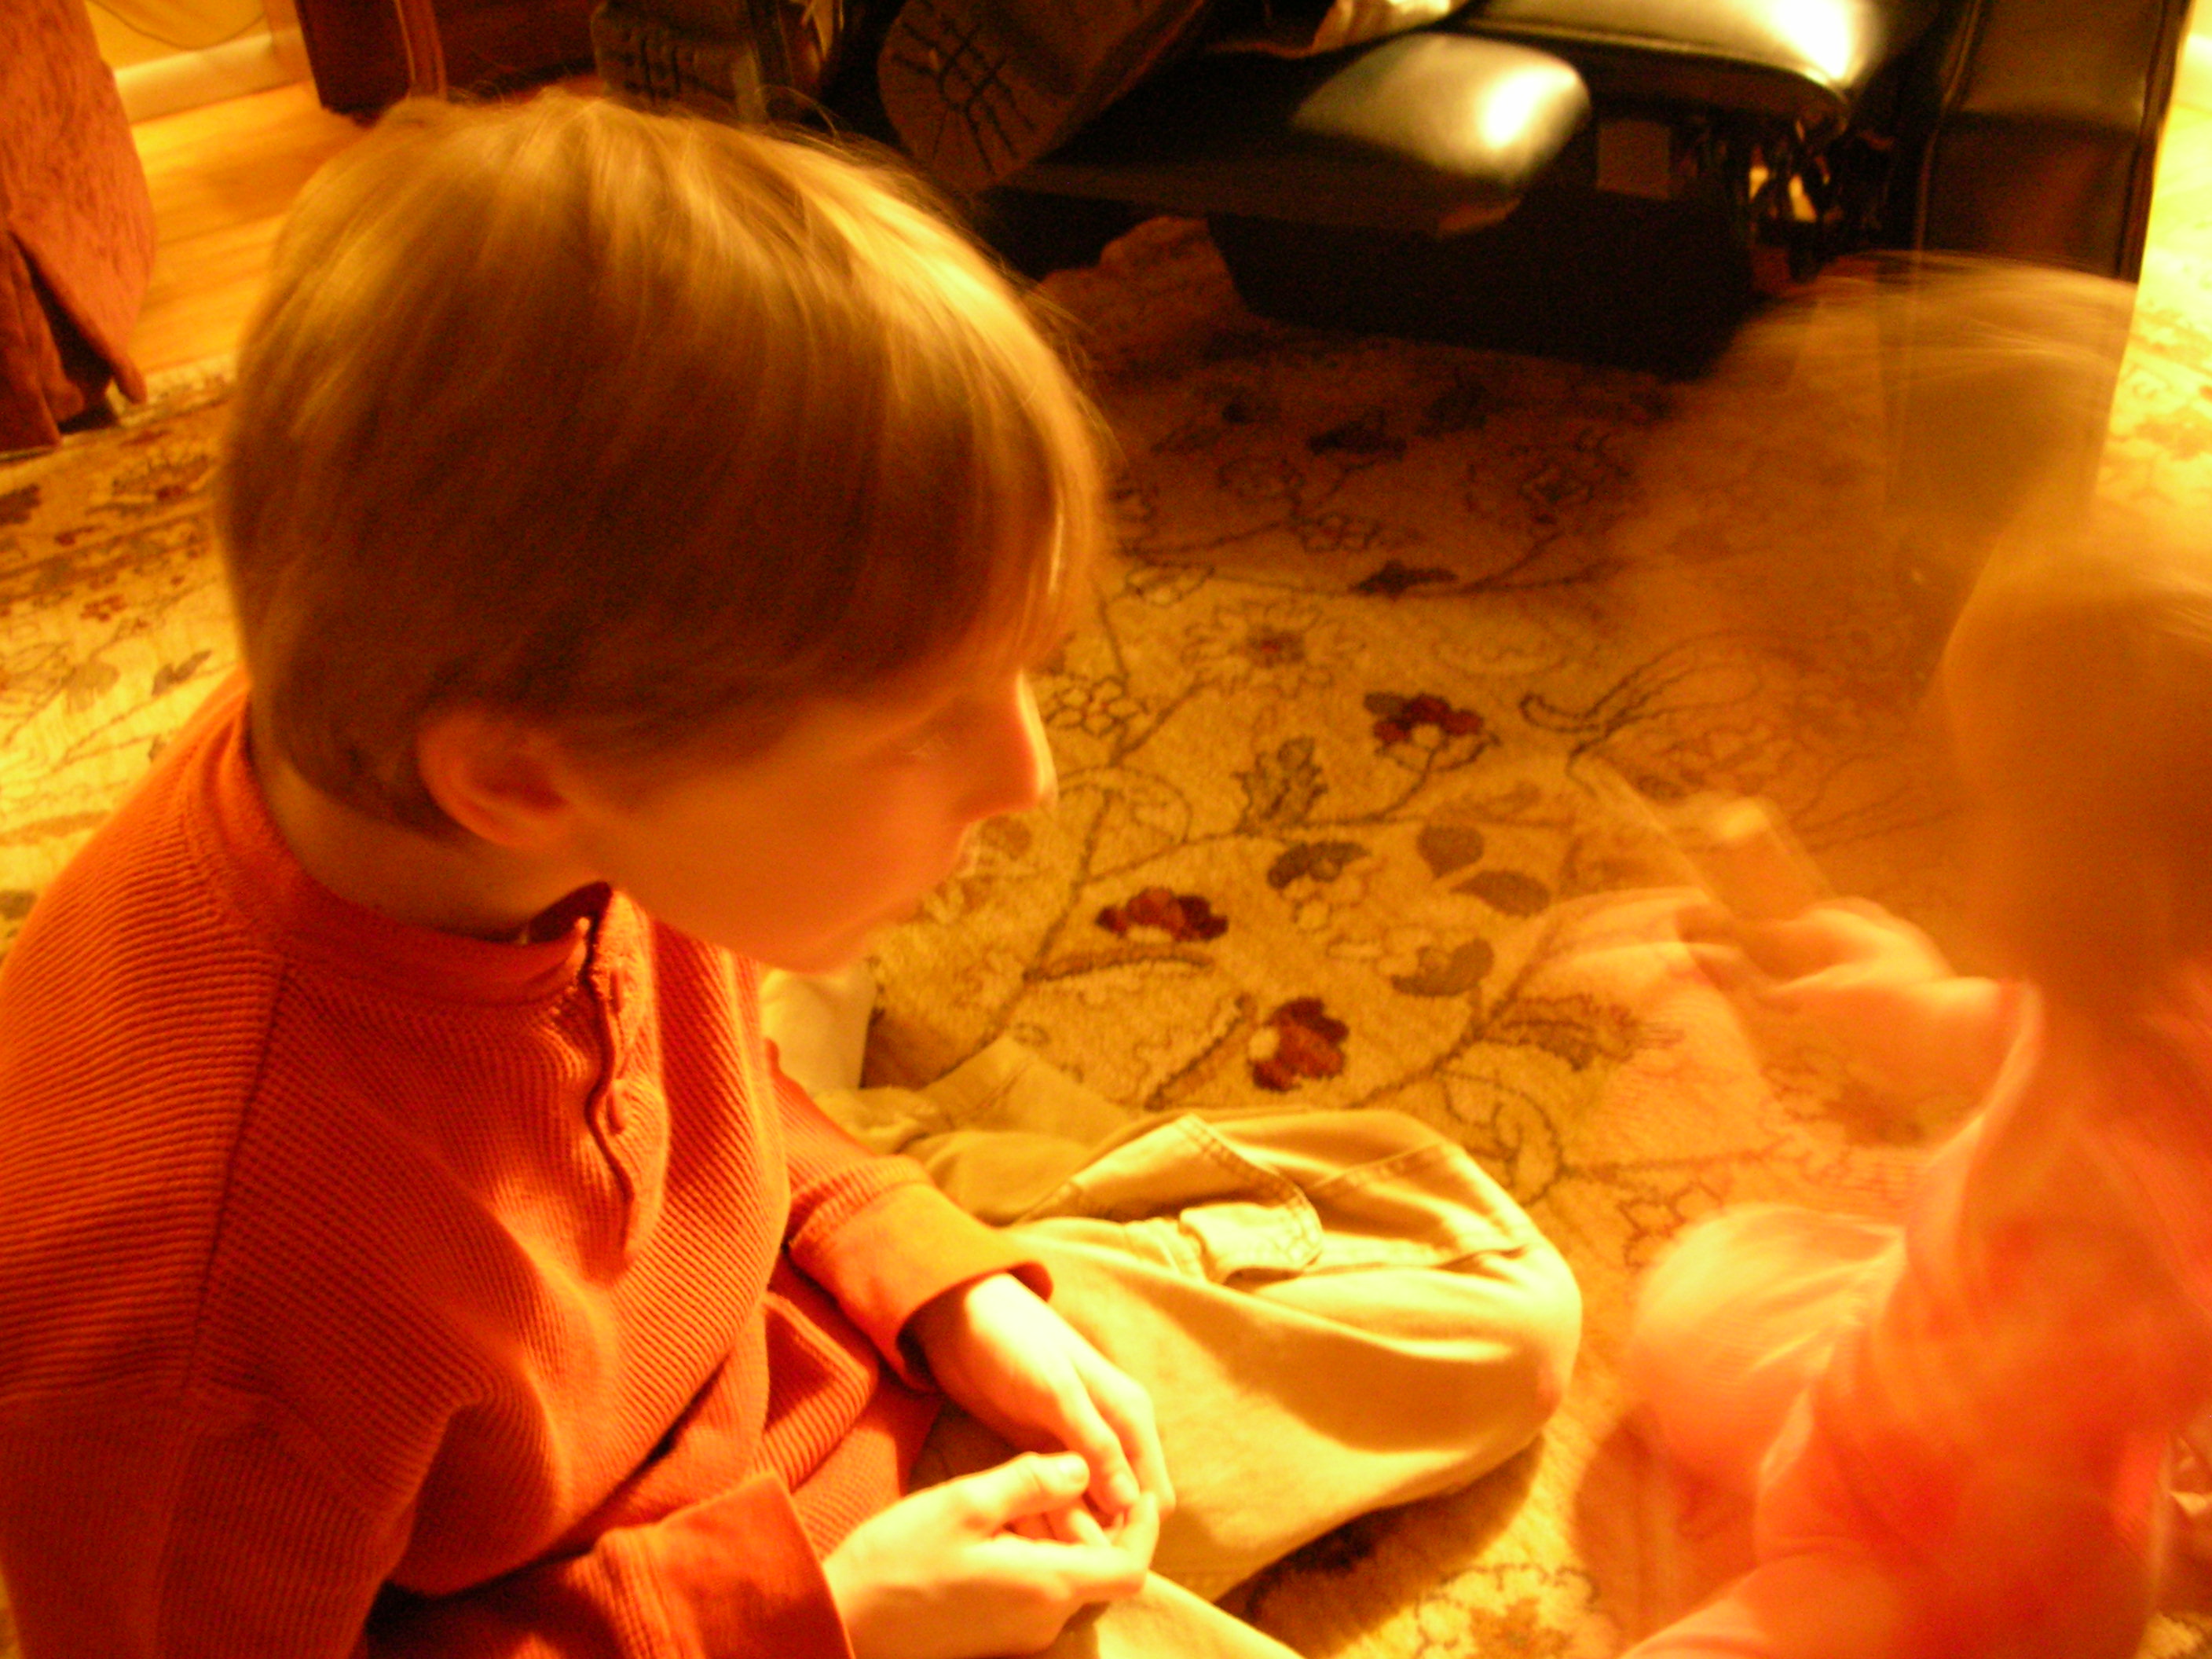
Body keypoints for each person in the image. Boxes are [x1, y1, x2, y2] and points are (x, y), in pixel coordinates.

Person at [0, 92, 1578, 1657]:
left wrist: (935, 1277)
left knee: (1487, 1295)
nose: (1029, 778)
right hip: (663, 1605)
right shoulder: (207, 1294)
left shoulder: (505, 747)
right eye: (918, 725)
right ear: (525, 780)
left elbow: (715, 1076)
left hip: (799, 1364)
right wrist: (829, 1617)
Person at [1624, 496, 2212, 1658]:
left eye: (1987, 800)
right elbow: (2001, 1031)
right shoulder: (2120, 988)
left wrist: (1952, 1609)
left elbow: (2028, 1541)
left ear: (2082, 880)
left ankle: (2167, 1547)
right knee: (1690, 1300)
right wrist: (1899, 990)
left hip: (1915, 1552)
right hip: (1880, 1361)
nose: (1960, 833)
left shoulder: (2126, 1232)